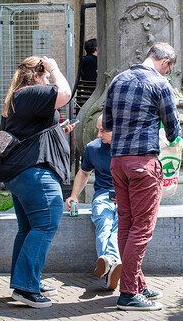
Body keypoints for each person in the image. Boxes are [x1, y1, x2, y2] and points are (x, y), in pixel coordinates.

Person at [103, 42, 182, 311]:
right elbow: (172, 128)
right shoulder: (160, 84)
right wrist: (173, 138)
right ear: (166, 62)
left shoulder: (118, 80)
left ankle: (137, 283)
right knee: (143, 228)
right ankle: (127, 293)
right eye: (170, 68)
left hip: (117, 162)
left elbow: (108, 123)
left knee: (126, 223)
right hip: (143, 163)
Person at [0, 56, 74, 309]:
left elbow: (28, 132)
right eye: (46, 76)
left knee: (28, 228)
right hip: (35, 173)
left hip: (22, 173)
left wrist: (59, 131)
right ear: (38, 74)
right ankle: (27, 287)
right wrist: (55, 68)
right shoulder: (30, 92)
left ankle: (25, 282)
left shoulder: (18, 97)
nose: (49, 79)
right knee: (47, 223)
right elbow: (65, 93)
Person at [65, 115, 122, 290]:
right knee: (104, 224)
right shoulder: (93, 148)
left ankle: (108, 261)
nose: (98, 134)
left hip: (126, 196)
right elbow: (84, 173)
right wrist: (74, 195)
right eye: (98, 129)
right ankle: (113, 262)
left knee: (118, 227)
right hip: (103, 195)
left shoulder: (129, 149)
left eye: (103, 130)